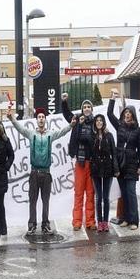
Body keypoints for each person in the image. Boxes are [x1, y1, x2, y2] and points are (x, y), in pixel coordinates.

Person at [8, 107, 75, 235]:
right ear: (36, 119)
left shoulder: (51, 134)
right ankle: (32, 225)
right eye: (39, 117)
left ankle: (45, 224)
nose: (41, 119)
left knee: (45, 201)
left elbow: (62, 132)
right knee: (32, 201)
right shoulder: (31, 133)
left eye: (43, 117)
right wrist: (12, 119)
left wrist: (71, 125)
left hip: (46, 173)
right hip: (34, 173)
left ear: (45, 119)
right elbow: (20, 128)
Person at [108, 91, 140, 230]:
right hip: (120, 161)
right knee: (123, 193)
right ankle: (125, 219)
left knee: (131, 192)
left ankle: (134, 221)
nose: (127, 115)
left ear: (133, 115)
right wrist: (112, 99)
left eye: (129, 113)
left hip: (132, 163)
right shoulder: (120, 125)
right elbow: (110, 115)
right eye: (125, 113)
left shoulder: (138, 130)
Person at [61, 94, 96, 231]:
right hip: (80, 163)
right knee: (79, 193)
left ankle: (90, 221)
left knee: (91, 194)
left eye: (88, 107)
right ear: (82, 109)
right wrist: (64, 101)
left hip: (92, 163)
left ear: (91, 109)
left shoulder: (96, 122)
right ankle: (76, 222)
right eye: (84, 107)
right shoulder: (76, 119)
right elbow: (66, 114)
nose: (86, 109)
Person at [90, 114, 118, 233]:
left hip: (107, 169)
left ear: (104, 122)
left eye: (101, 120)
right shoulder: (92, 136)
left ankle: (105, 222)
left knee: (106, 198)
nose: (99, 122)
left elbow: (114, 153)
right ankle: (99, 221)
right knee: (99, 197)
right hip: (96, 170)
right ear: (95, 123)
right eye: (97, 121)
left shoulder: (109, 136)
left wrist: (116, 169)